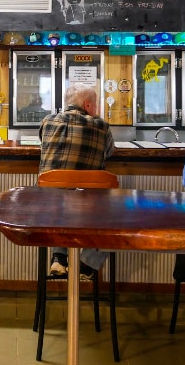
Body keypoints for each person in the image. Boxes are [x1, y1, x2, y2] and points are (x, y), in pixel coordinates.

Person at [38, 83, 114, 280]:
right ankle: (86, 264)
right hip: (87, 210)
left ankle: (59, 258)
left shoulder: (47, 121)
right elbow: (110, 152)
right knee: (116, 215)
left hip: (46, 211)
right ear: (88, 105)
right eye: (95, 104)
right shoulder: (102, 126)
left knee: (61, 201)